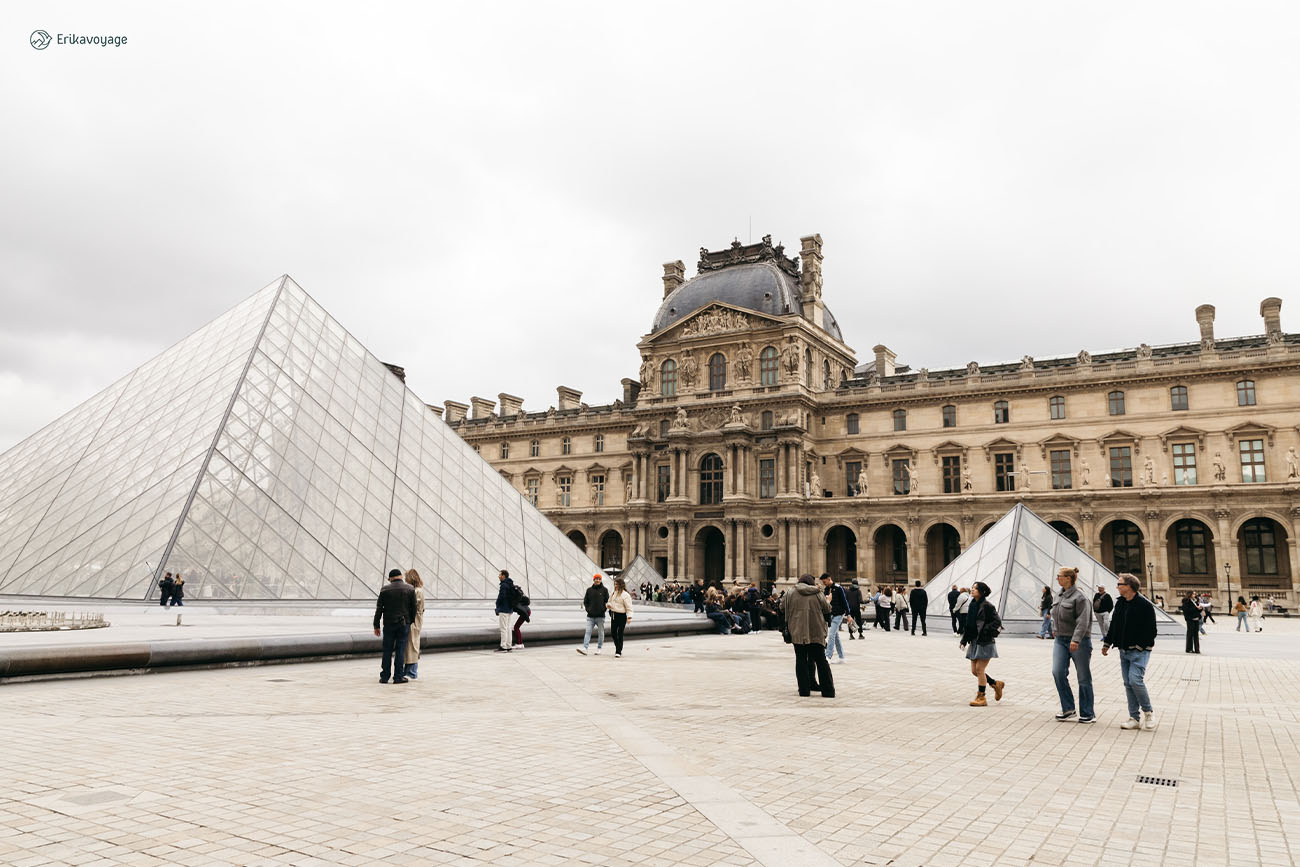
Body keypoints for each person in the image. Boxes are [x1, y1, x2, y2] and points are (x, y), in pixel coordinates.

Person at [1101, 572, 1157, 731]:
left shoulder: (1144, 605)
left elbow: (1151, 629)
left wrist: (1141, 645)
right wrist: (1107, 643)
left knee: (1135, 680)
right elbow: (1114, 625)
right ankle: (1134, 717)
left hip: (1139, 651)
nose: (1117, 587)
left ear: (1129, 587)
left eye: (1120, 584)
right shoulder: (1120, 603)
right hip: (1123, 649)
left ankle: (1148, 712)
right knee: (1128, 683)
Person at [1050, 566, 1095, 723]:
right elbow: (1054, 614)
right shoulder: (1059, 595)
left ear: (1068, 578)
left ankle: (1088, 713)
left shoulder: (1080, 597)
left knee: (1083, 677)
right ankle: (1068, 708)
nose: (1057, 578)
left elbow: (1083, 621)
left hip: (1079, 642)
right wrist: (1054, 629)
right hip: (1060, 640)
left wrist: (1076, 640)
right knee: (1057, 672)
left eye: (1059, 576)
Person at [783, 574, 834, 697]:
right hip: (815, 631)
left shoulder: (790, 593)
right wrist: (828, 600)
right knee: (821, 660)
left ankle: (804, 690)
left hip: (797, 631)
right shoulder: (817, 593)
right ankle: (827, 691)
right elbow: (827, 609)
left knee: (800, 660)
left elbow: (781, 607)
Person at [959, 581, 1005, 707]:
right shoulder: (972, 604)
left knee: (980, 669)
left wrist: (985, 631)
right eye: (972, 588)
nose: (972, 590)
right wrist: (964, 640)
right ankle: (996, 684)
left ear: (982, 591)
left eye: (975, 588)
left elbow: (997, 622)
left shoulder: (987, 606)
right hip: (974, 641)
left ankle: (981, 697)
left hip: (985, 641)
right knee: (974, 671)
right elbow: (969, 624)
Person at [374, 568, 416, 683]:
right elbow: (414, 608)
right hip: (404, 623)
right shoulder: (410, 589)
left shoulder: (384, 590)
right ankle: (398, 676)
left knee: (387, 650)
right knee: (400, 650)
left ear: (391, 578)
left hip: (388, 624)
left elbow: (379, 609)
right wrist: (410, 621)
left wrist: (376, 625)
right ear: (401, 576)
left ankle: (384, 676)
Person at [402, 569, 425, 678]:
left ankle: (411, 672)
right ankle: (409, 671)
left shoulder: (416, 591)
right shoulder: (418, 590)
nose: (405, 580)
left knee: (412, 645)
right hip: (415, 619)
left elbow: (412, 606)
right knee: (411, 645)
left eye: (406, 577)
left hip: (413, 620)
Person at [577, 573, 609, 654]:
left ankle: (599, 648)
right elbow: (585, 602)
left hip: (600, 616)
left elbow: (607, 601)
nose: (597, 580)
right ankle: (585, 648)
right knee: (588, 632)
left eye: (599, 579)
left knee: (601, 633)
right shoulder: (589, 590)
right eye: (596, 579)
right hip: (590, 616)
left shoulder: (605, 590)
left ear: (600, 580)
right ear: (593, 580)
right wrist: (588, 610)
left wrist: (603, 609)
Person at [821, 574, 850, 663]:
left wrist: (848, 614)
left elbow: (844, 601)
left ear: (829, 579)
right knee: (835, 635)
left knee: (831, 634)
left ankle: (828, 656)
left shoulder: (838, 588)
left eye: (824, 582)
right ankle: (841, 657)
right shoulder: (826, 589)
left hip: (838, 614)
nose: (823, 584)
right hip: (831, 614)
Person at [607, 577, 634, 658]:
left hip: (622, 616)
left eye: (616, 584)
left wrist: (629, 617)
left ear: (621, 585)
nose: (615, 586)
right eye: (614, 584)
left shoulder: (626, 595)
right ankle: (618, 647)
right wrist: (608, 605)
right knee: (613, 632)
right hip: (613, 614)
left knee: (620, 633)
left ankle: (618, 650)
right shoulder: (613, 593)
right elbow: (610, 601)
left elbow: (629, 607)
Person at [494, 569, 516, 653]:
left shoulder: (503, 585)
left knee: (503, 628)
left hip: (503, 609)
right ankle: (508, 645)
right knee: (509, 628)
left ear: (504, 576)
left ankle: (503, 647)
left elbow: (501, 597)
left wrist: (497, 605)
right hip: (510, 609)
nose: (498, 576)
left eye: (500, 575)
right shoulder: (510, 584)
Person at [511, 580, 531, 650]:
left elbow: (523, 612)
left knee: (516, 627)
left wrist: (527, 618)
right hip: (527, 611)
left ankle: (519, 644)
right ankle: (520, 644)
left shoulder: (515, 603)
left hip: (526, 613)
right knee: (516, 627)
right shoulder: (518, 598)